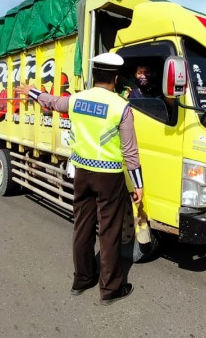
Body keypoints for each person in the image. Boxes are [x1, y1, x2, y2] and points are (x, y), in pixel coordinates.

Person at [16, 52, 143, 305]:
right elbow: (130, 152)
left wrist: (31, 92)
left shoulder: (76, 100)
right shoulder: (121, 106)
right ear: (116, 78)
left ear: (95, 75)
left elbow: (50, 102)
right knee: (109, 232)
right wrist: (138, 184)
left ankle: (82, 280)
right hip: (109, 176)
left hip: (82, 173)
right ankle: (110, 289)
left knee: (82, 226)